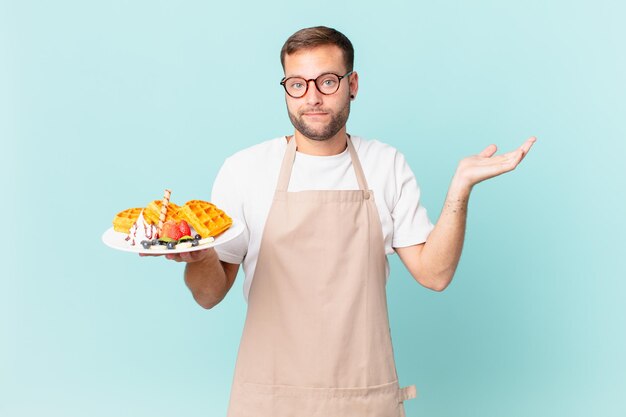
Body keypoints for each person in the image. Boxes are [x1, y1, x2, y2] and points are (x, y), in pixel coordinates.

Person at [163, 26, 535, 417]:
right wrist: (200, 256)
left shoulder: (385, 164)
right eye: (297, 84)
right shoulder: (244, 170)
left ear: (352, 84)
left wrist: (460, 188)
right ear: (285, 89)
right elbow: (209, 295)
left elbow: (435, 274)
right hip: (270, 398)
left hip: (363, 398)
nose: (313, 98)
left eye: (327, 81)